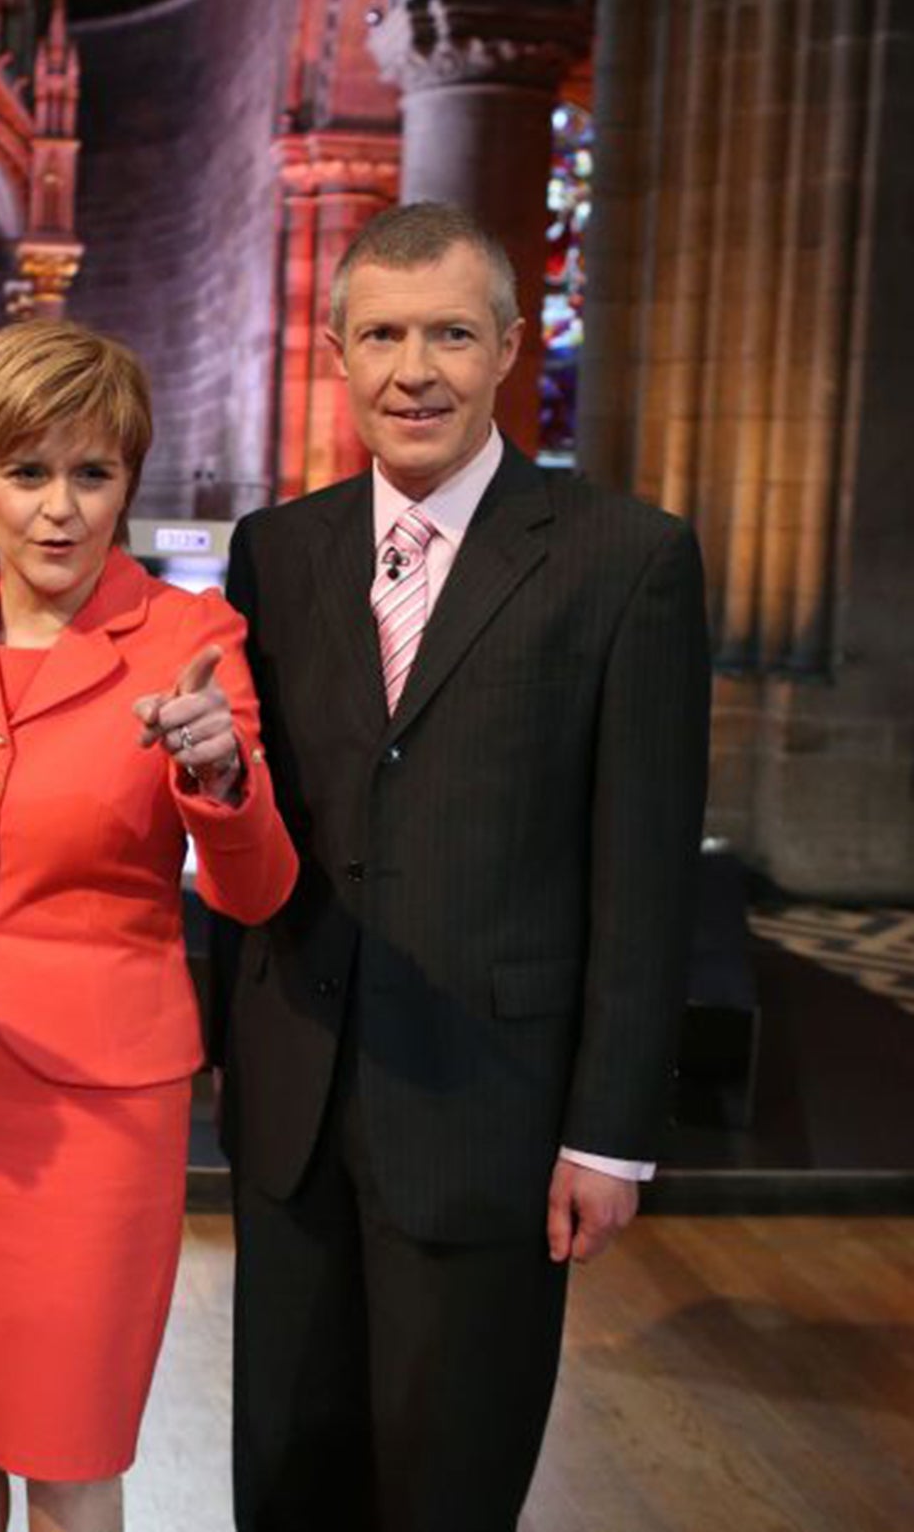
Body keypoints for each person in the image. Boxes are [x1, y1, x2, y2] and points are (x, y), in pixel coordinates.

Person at [213, 200, 712, 1531]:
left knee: (447, 1480)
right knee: (288, 1469)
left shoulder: (628, 560)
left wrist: (609, 1133)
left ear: (511, 345)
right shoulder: (278, 549)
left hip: (490, 1107)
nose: (411, 369)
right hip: (296, 1107)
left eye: (448, 333)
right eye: (379, 334)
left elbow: (645, 870)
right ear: (336, 349)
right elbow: (253, 814)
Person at [0, 320, 299, 1532]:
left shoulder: (192, 641)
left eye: (91, 474)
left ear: (128, 483)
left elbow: (254, 893)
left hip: (98, 1104)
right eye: (27, 472)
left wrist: (222, 781)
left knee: (69, 1434)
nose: (58, 509)